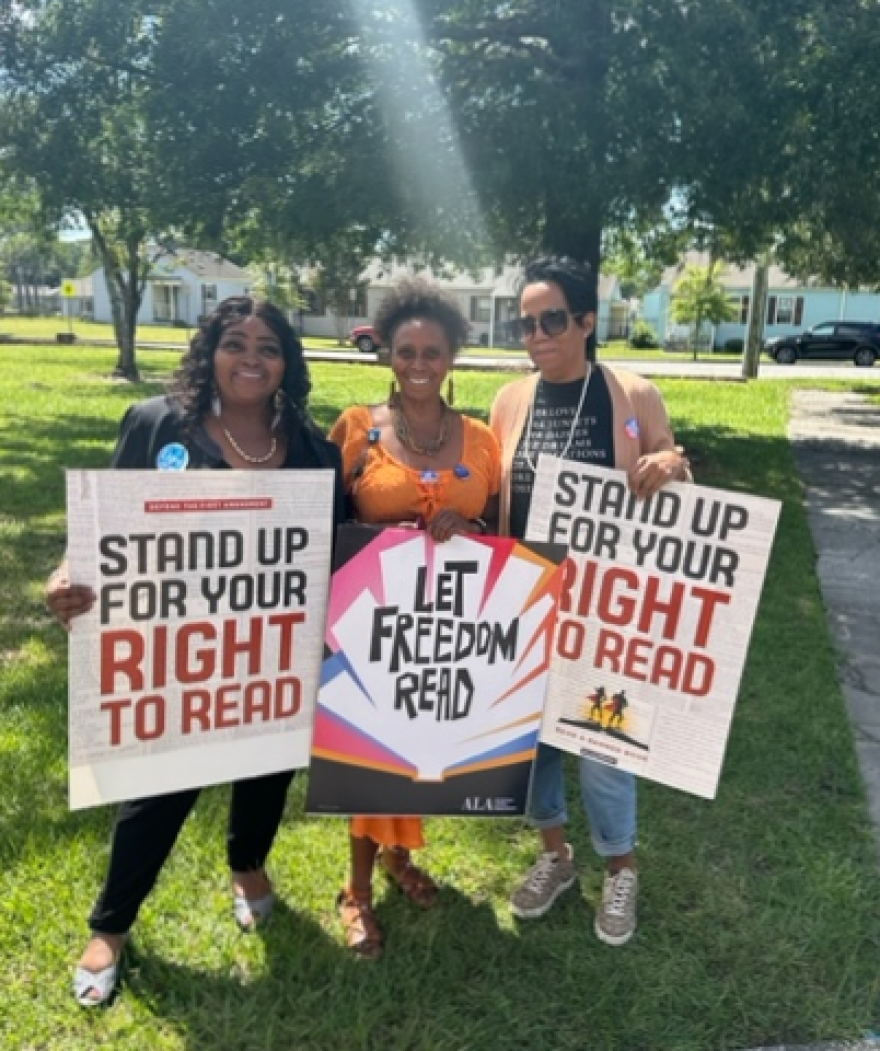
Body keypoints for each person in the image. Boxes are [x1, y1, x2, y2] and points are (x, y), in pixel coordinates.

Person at [45, 296, 345, 1005]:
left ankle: (247, 866)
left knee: (266, 772)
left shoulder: (310, 448)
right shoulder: (158, 425)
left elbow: (332, 555)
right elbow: (99, 523)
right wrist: (65, 571)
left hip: (272, 649)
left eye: (268, 346)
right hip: (179, 650)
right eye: (234, 342)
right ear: (209, 351)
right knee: (161, 789)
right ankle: (110, 927)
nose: (250, 358)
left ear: (287, 364)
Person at [489, 256, 690, 946]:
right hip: (529, 600)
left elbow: (675, 478)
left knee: (605, 747)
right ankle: (556, 856)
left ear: (585, 321)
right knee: (538, 746)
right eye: (525, 323)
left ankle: (620, 865)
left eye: (551, 320)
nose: (537, 335)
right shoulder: (510, 400)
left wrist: (671, 464)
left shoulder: (632, 393)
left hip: (608, 609)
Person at [329, 277, 500, 959]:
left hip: (453, 625)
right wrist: (381, 532)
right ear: (388, 354)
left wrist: (476, 521)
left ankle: (401, 861)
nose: (419, 362)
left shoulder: (482, 436)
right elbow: (322, 514)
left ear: (452, 354)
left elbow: (503, 530)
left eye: (433, 350)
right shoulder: (358, 426)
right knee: (373, 759)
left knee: (427, 754)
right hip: (375, 620)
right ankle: (357, 891)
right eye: (406, 350)